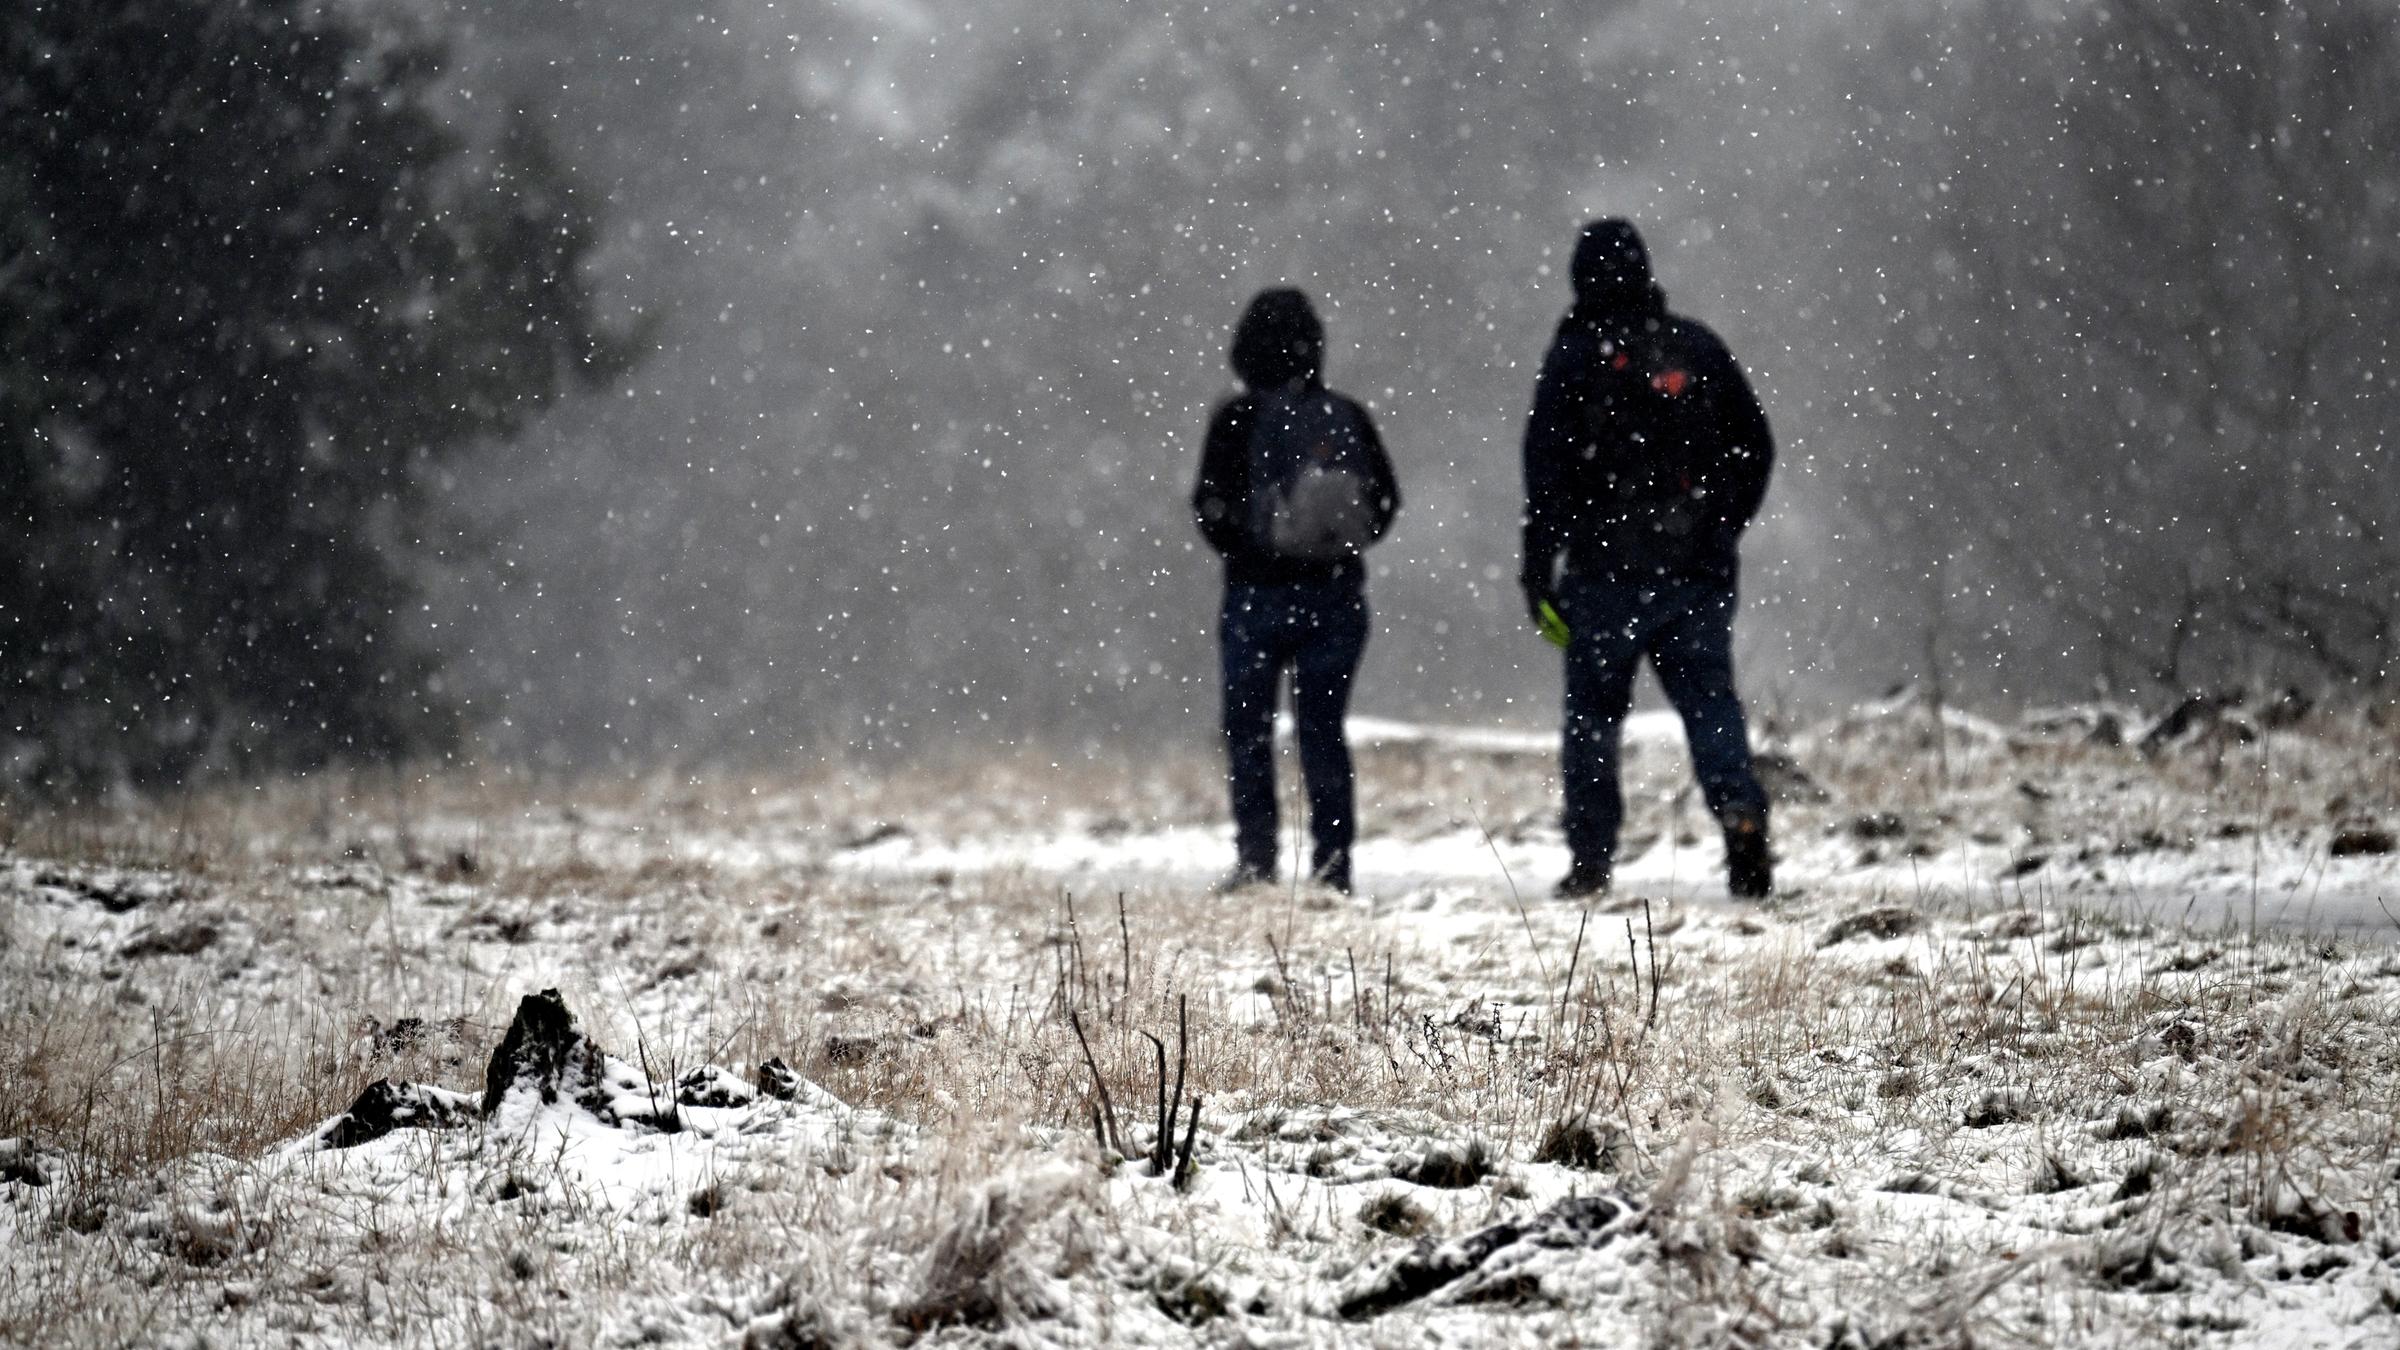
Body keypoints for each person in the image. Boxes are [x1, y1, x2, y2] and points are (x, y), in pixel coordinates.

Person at [1518, 219, 1775, 899]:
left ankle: (1592, 858)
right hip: (1695, 571)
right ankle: (1741, 814)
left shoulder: (1574, 355)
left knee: (1594, 719)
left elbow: (1544, 471)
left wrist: (1538, 567)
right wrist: (1720, 527)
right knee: (1710, 705)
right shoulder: (1695, 347)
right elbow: (1754, 446)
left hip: (1603, 574)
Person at [1192, 288, 1400, 894]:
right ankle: (1334, 868)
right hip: (1336, 600)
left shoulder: (1235, 419)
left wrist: (1253, 549)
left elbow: (1210, 507)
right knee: (1323, 733)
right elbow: (1386, 502)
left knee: (1249, 732)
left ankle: (1257, 860)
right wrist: (1335, 546)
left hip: (1256, 598)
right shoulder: (1348, 415)